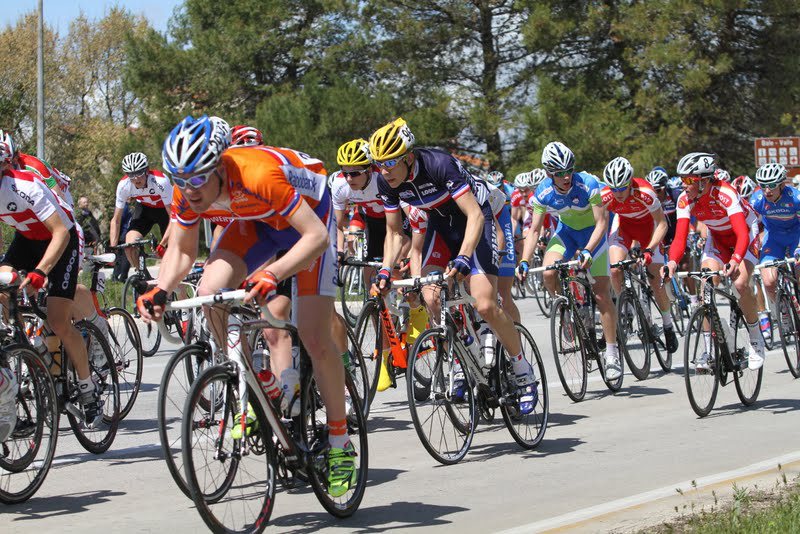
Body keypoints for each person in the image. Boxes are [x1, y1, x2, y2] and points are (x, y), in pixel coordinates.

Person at [136, 115, 356, 497]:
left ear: (220, 165)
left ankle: (340, 443)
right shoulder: (186, 189)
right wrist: (161, 290)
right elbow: (184, 251)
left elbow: (317, 236)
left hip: (308, 219)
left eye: (197, 179)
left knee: (314, 336)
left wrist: (275, 274)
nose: (188, 190)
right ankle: (255, 379)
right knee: (211, 290)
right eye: (180, 180)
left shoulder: (258, 173)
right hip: (256, 220)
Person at [369, 117, 537, 415]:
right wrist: (385, 270)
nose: (384, 171)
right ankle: (462, 356)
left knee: (485, 304)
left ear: (408, 156)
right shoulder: (386, 181)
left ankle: (522, 369)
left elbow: (473, 215)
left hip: (476, 220)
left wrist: (463, 257)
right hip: (440, 224)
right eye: (379, 164)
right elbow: (395, 233)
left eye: (390, 163)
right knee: (431, 297)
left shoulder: (439, 164)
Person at [0, 134, 104, 427]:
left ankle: (87, 389)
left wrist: (40, 271)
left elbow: (61, 232)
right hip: (27, 239)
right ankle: (21, 342)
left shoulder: (23, 185)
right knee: (3, 285)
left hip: (64, 237)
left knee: (59, 321)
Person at [517, 141, 621, 380]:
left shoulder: (588, 184)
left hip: (593, 235)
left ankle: (612, 353)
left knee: (601, 294)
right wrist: (524, 260)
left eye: (569, 171)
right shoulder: (542, 192)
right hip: (566, 233)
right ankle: (563, 308)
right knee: (549, 273)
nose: (566, 177)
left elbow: (602, 223)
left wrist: (587, 250)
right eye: (559, 173)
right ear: (548, 173)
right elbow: (533, 231)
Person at [663, 152, 765, 370]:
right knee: (705, 288)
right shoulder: (684, 199)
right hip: (717, 238)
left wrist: (737, 259)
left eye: (689, 179)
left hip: (744, 236)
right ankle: (710, 349)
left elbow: (742, 233)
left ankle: (756, 336)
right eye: (682, 179)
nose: (684, 184)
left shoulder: (725, 193)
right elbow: (680, 237)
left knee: (739, 285)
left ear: (704, 180)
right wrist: (672, 262)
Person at [602, 157, 678, 354]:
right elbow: (599, 225)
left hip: (649, 231)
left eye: (622, 188)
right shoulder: (605, 196)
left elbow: (662, 224)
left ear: (630, 183)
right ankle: (625, 307)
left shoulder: (645, 192)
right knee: (615, 268)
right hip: (625, 229)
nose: (617, 193)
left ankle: (668, 325)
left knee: (655, 280)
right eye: (614, 189)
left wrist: (650, 250)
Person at [750, 163, 800, 333]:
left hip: (796, 236)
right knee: (769, 281)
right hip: (774, 239)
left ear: (782, 184)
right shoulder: (757, 200)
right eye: (763, 186)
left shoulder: (795, 197)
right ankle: (784, 311)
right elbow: (751, 227)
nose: (767, 191)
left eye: (771, 186)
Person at [109, 152, 173, 268]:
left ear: (147, 170)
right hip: (144, 210)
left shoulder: (160, 181)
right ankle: (142, 278)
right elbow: (116, 220)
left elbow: (173, 217)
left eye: (139, 173)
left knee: (169, 253)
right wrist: (113, 248)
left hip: (165, 211)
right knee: (129, 245)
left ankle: (174, 283)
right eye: (131, 175)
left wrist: (162, 245)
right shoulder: (124, 185)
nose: (136, 178)